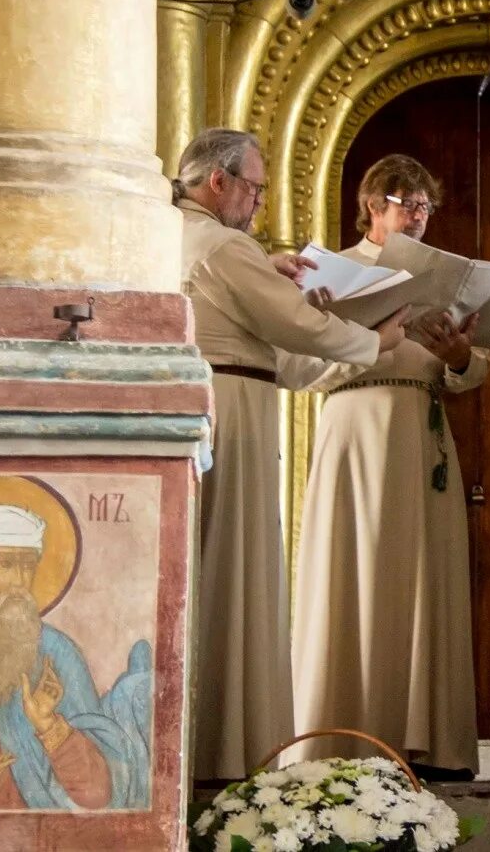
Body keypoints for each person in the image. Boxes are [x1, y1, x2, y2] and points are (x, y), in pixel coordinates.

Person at [175, 128, 407, 780]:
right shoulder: (220, 241)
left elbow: (282, 354)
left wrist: (334, 341)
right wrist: (374, 338)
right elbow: (298, 325)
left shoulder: (181, 235)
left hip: (232, 391)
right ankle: (226, 752)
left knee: (228, 582)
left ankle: (220, 745)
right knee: (234, 582)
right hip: (232, 413)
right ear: (218, 182)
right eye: (254, 187)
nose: (258, 202)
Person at [287, 155, 489, 780]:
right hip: (355, 426)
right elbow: (301, 368)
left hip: (420, 431)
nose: (419, 216)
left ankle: (433, 745)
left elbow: (474, 368)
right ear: (373, 205)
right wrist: (367, 337)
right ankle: (341, 738)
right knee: (354, 573)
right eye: (407, 204)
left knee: (425, 575)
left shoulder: (446, 278)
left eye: (426, 206)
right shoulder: (330, 270)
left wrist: (458, 357)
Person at [0, 506, 149, 809]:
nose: (19, 582)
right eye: (4, 565)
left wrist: (50, 726)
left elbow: (99, 795)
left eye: (28, 566)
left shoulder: (54, 652)